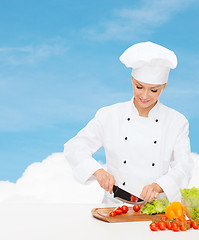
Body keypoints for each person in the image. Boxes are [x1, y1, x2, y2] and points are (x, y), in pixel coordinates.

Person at [64, 41, 193, 204]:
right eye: (139, 87)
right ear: (132, 80)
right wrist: (97, 171)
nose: (145, 96)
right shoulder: (109, 115)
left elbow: (184, 166)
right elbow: (75, 147)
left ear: (164, 87)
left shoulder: (176, 122)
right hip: (115, 206)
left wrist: (159, 185)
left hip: (155, 208)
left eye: (154, 90)